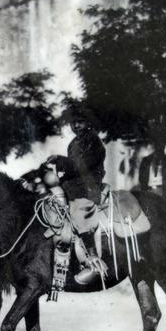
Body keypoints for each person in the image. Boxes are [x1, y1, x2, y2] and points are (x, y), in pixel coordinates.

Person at [46, 107, 107, 285]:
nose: (76, 125)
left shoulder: (94, 142)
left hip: (88, 187)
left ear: (88, 123)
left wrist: (61, 160)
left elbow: (82, 166)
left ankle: (93, 259)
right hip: (72, 185)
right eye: (73, 123)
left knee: (79, 210)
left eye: (80, 122)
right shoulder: (74, 142)